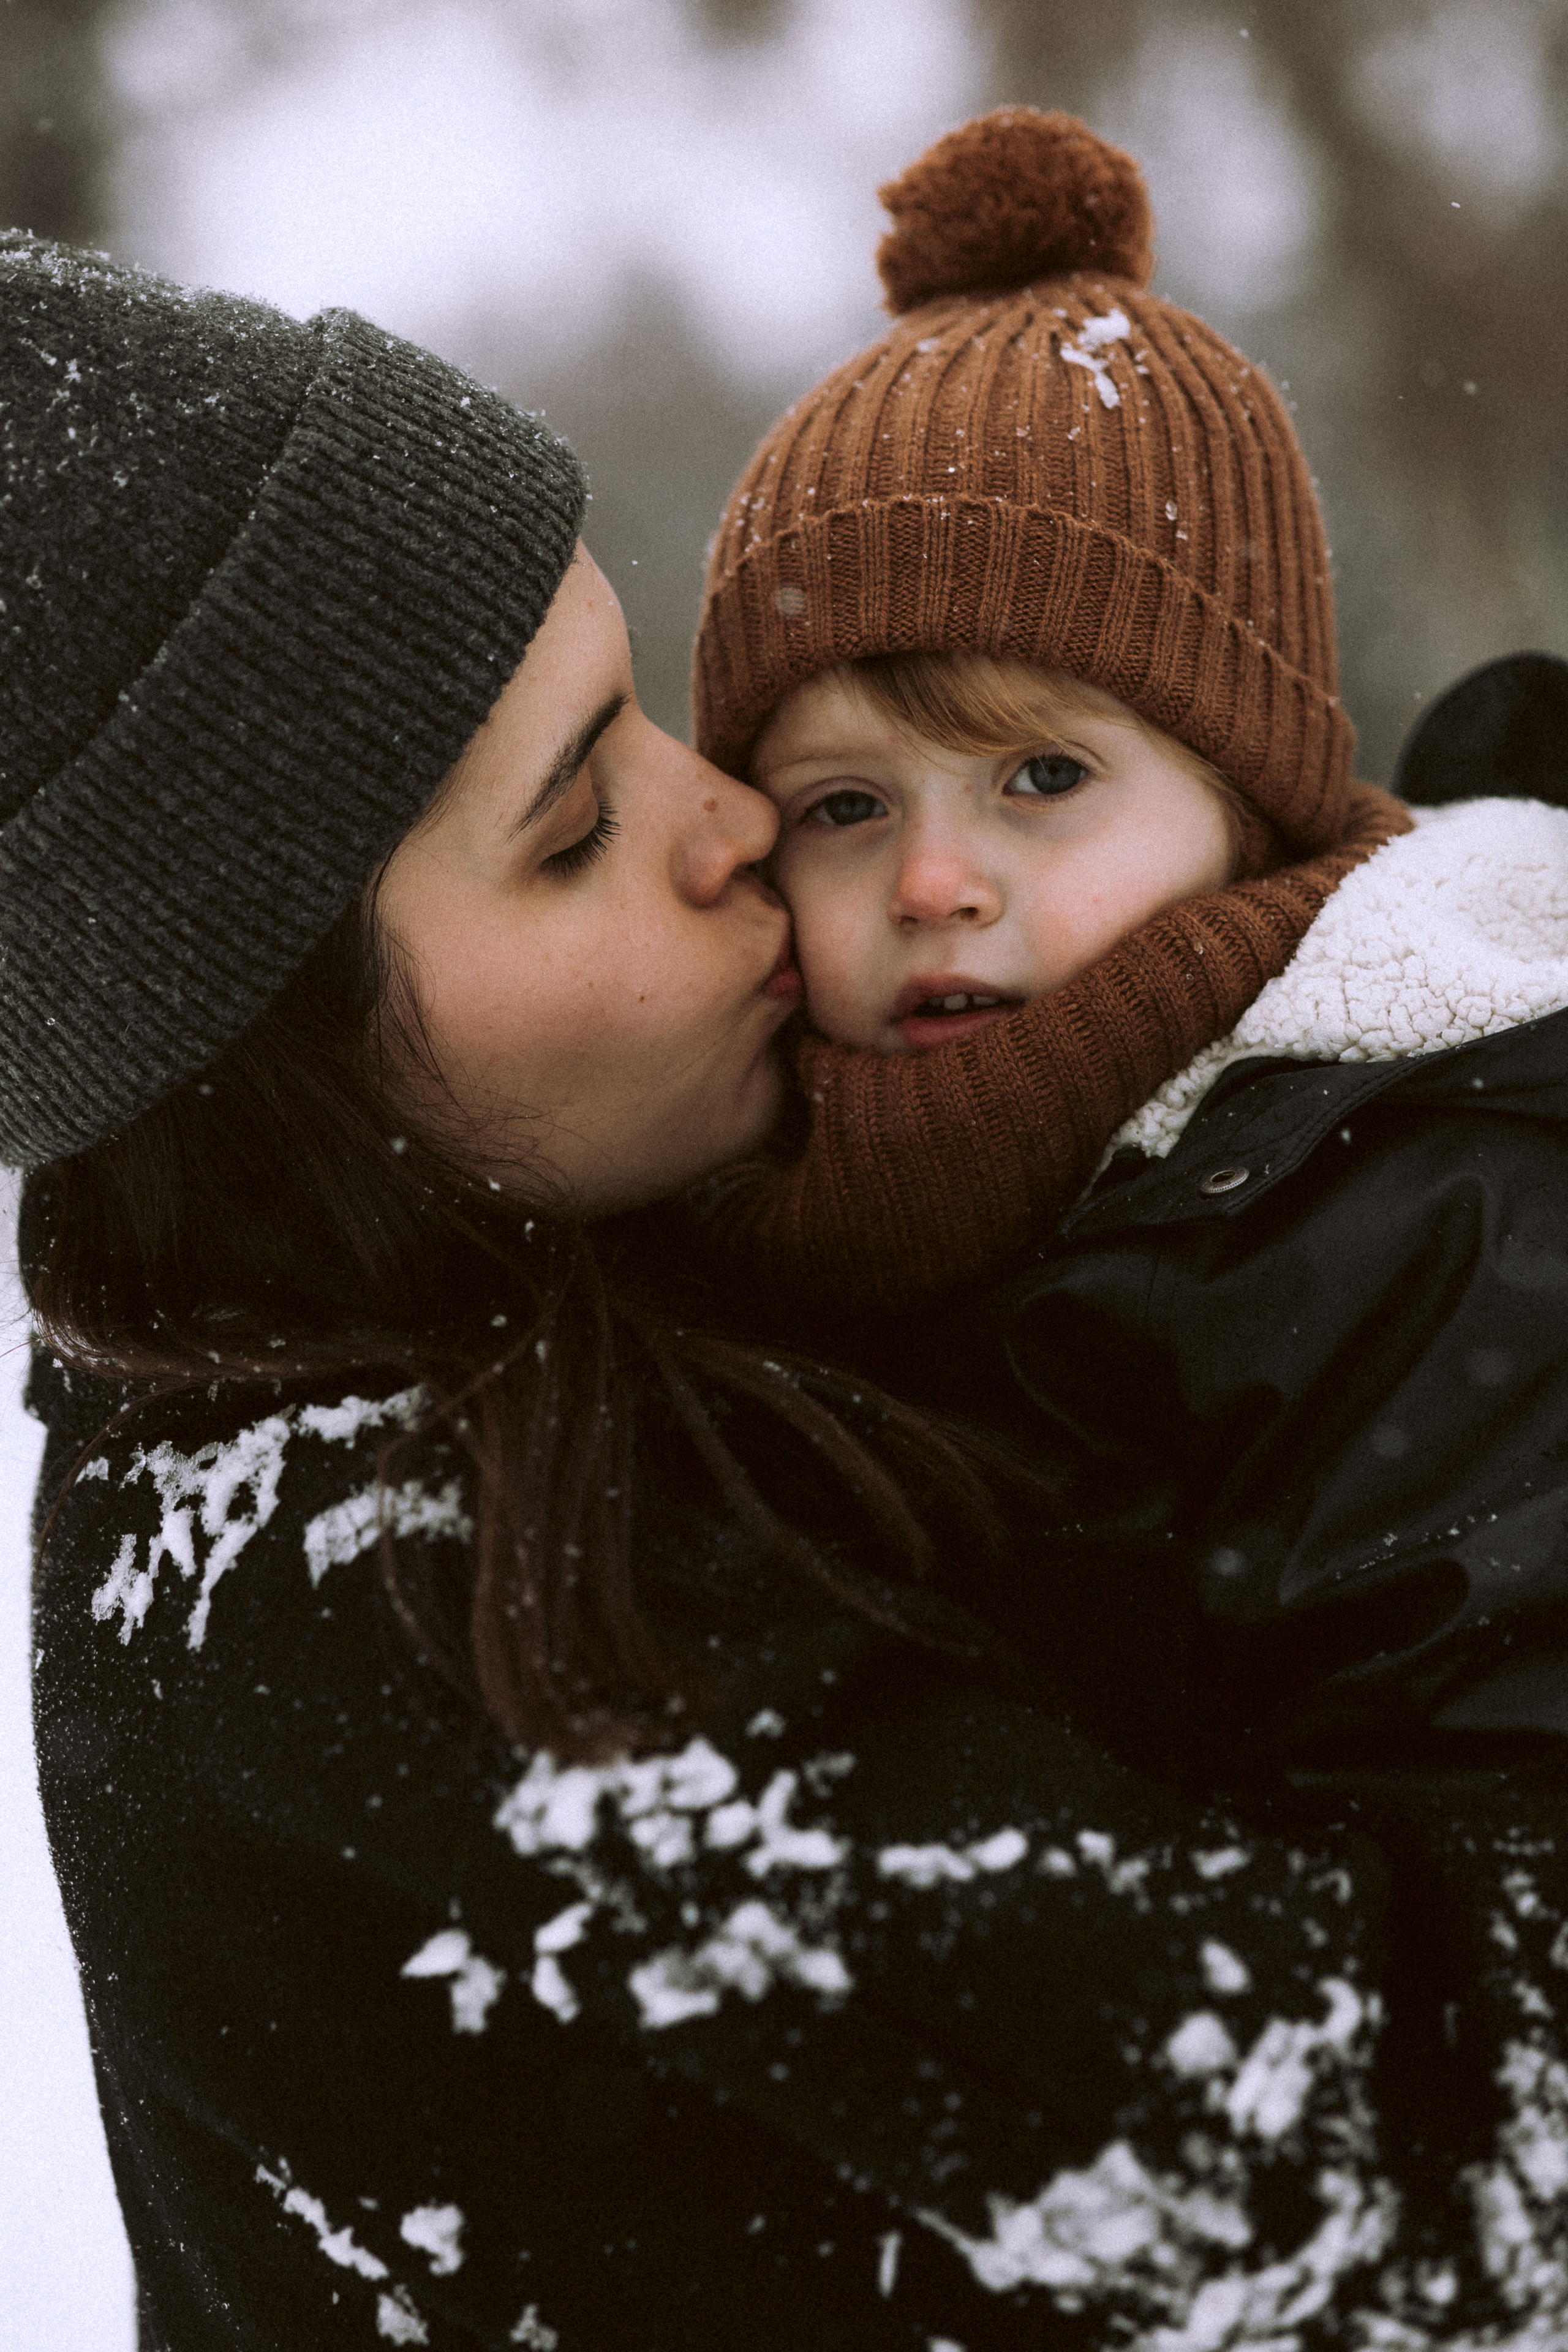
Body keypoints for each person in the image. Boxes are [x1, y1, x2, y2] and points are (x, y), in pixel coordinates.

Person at [3, 214, 1555, 2352]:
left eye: (641, 713)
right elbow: (1427, 2180)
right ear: (280, 1078)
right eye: (573, 832)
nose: (733, 819)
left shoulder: (556, 1285)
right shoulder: (399, 1588)